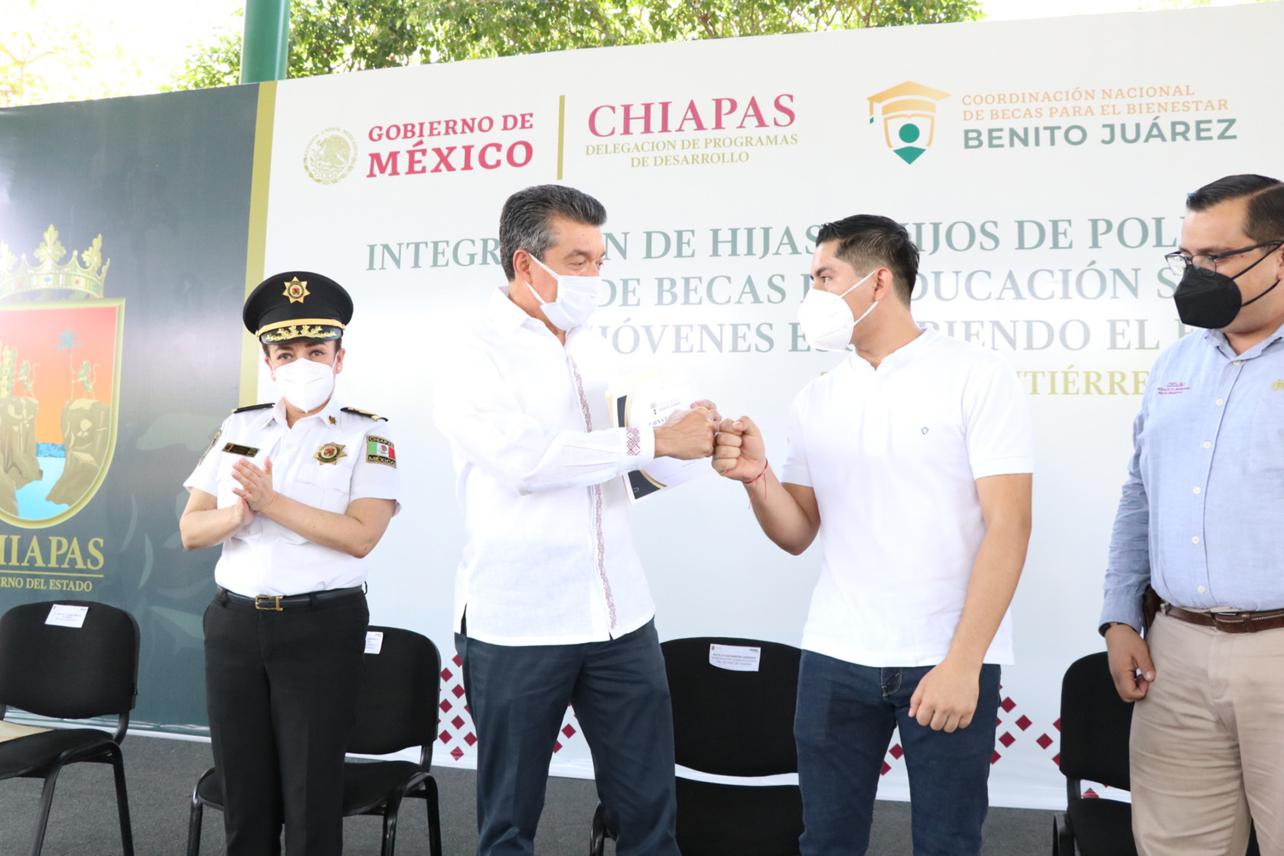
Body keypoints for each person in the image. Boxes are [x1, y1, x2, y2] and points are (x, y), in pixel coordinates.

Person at [712, 215, 1034, 855]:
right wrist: (757, 478)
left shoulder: (976, 374)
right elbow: (797, 533)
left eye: (824, 277)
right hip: (834, 656)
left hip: (944, 657)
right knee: (826, 841)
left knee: (947, 843)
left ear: (878, 281)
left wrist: (964, 663)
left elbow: (1011, 525)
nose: (813, 294)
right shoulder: (818, 396)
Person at [434, 184, 716, 856]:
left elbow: (630, 471)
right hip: (520, 620)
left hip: (620, 615)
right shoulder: (471, 351)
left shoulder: (598, 346)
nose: (595, 276)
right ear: (525, 264)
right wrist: (653, 440)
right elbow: (527, 462)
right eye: (578, 260)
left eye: (600, 260)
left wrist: (696, 438)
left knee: (649, 813)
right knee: (509, 822)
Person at [180, 271, 399, 856]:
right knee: (242, 792)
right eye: (286, 353)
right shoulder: (240, 427)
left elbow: (361, 536)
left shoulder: (367, 435)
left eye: (315, 351)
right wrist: (238, 515)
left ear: (339, 357)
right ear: (269, 362)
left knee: (310, 796)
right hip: (235, 625)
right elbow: (191, 530)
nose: (302, 363)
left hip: (318, 627)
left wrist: (271, 502)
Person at [1101, 174, 1284, 855]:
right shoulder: (1175, 364)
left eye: (1218, 256)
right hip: (1173, 654)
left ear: (1280, 257)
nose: (1197, 275)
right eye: (1187, 258)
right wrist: (1121, 617)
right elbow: (1140, 496)